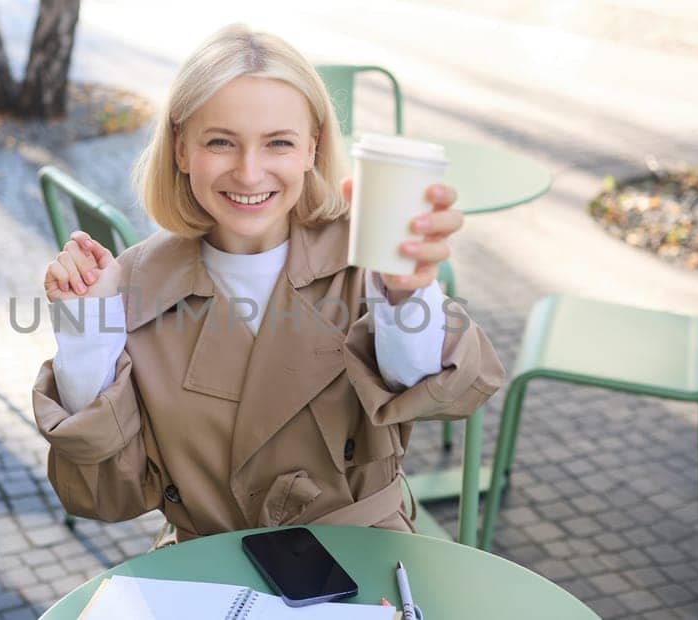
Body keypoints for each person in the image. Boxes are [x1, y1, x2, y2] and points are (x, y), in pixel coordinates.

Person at [32, 23, 504, 544]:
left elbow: (444, 397)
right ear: (182, 149)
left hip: (361, 558)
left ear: (312, 148)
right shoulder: (133, 285)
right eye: (221, 142)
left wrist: (407, 293)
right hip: (208, 566)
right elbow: (102, 496)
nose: (250, 173)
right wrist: (85, 329)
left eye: (278, 142)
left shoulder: (369, 259)